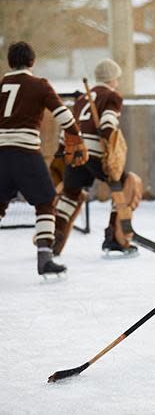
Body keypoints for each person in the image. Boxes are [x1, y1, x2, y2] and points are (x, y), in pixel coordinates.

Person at [0, 41, 88, 277]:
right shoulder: (39, 85)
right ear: (32, 61)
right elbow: (63, 114)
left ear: (10, 62)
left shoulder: (1, 84)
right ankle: (45, 258)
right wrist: (75, 135)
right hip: (26, 153)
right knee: (46, 202)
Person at [52, 58, 143, 257]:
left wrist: (62, 154)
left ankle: (52, 238)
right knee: (126, 184)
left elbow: (67, 129)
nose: (117, 83)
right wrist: (109, 147)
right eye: (117, 79)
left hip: (75, 153)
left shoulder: (82, 98)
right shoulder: (112, 96)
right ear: (111, 79)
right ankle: (115, 238)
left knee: (70, 194)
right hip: (95, 153)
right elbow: (108, 123)